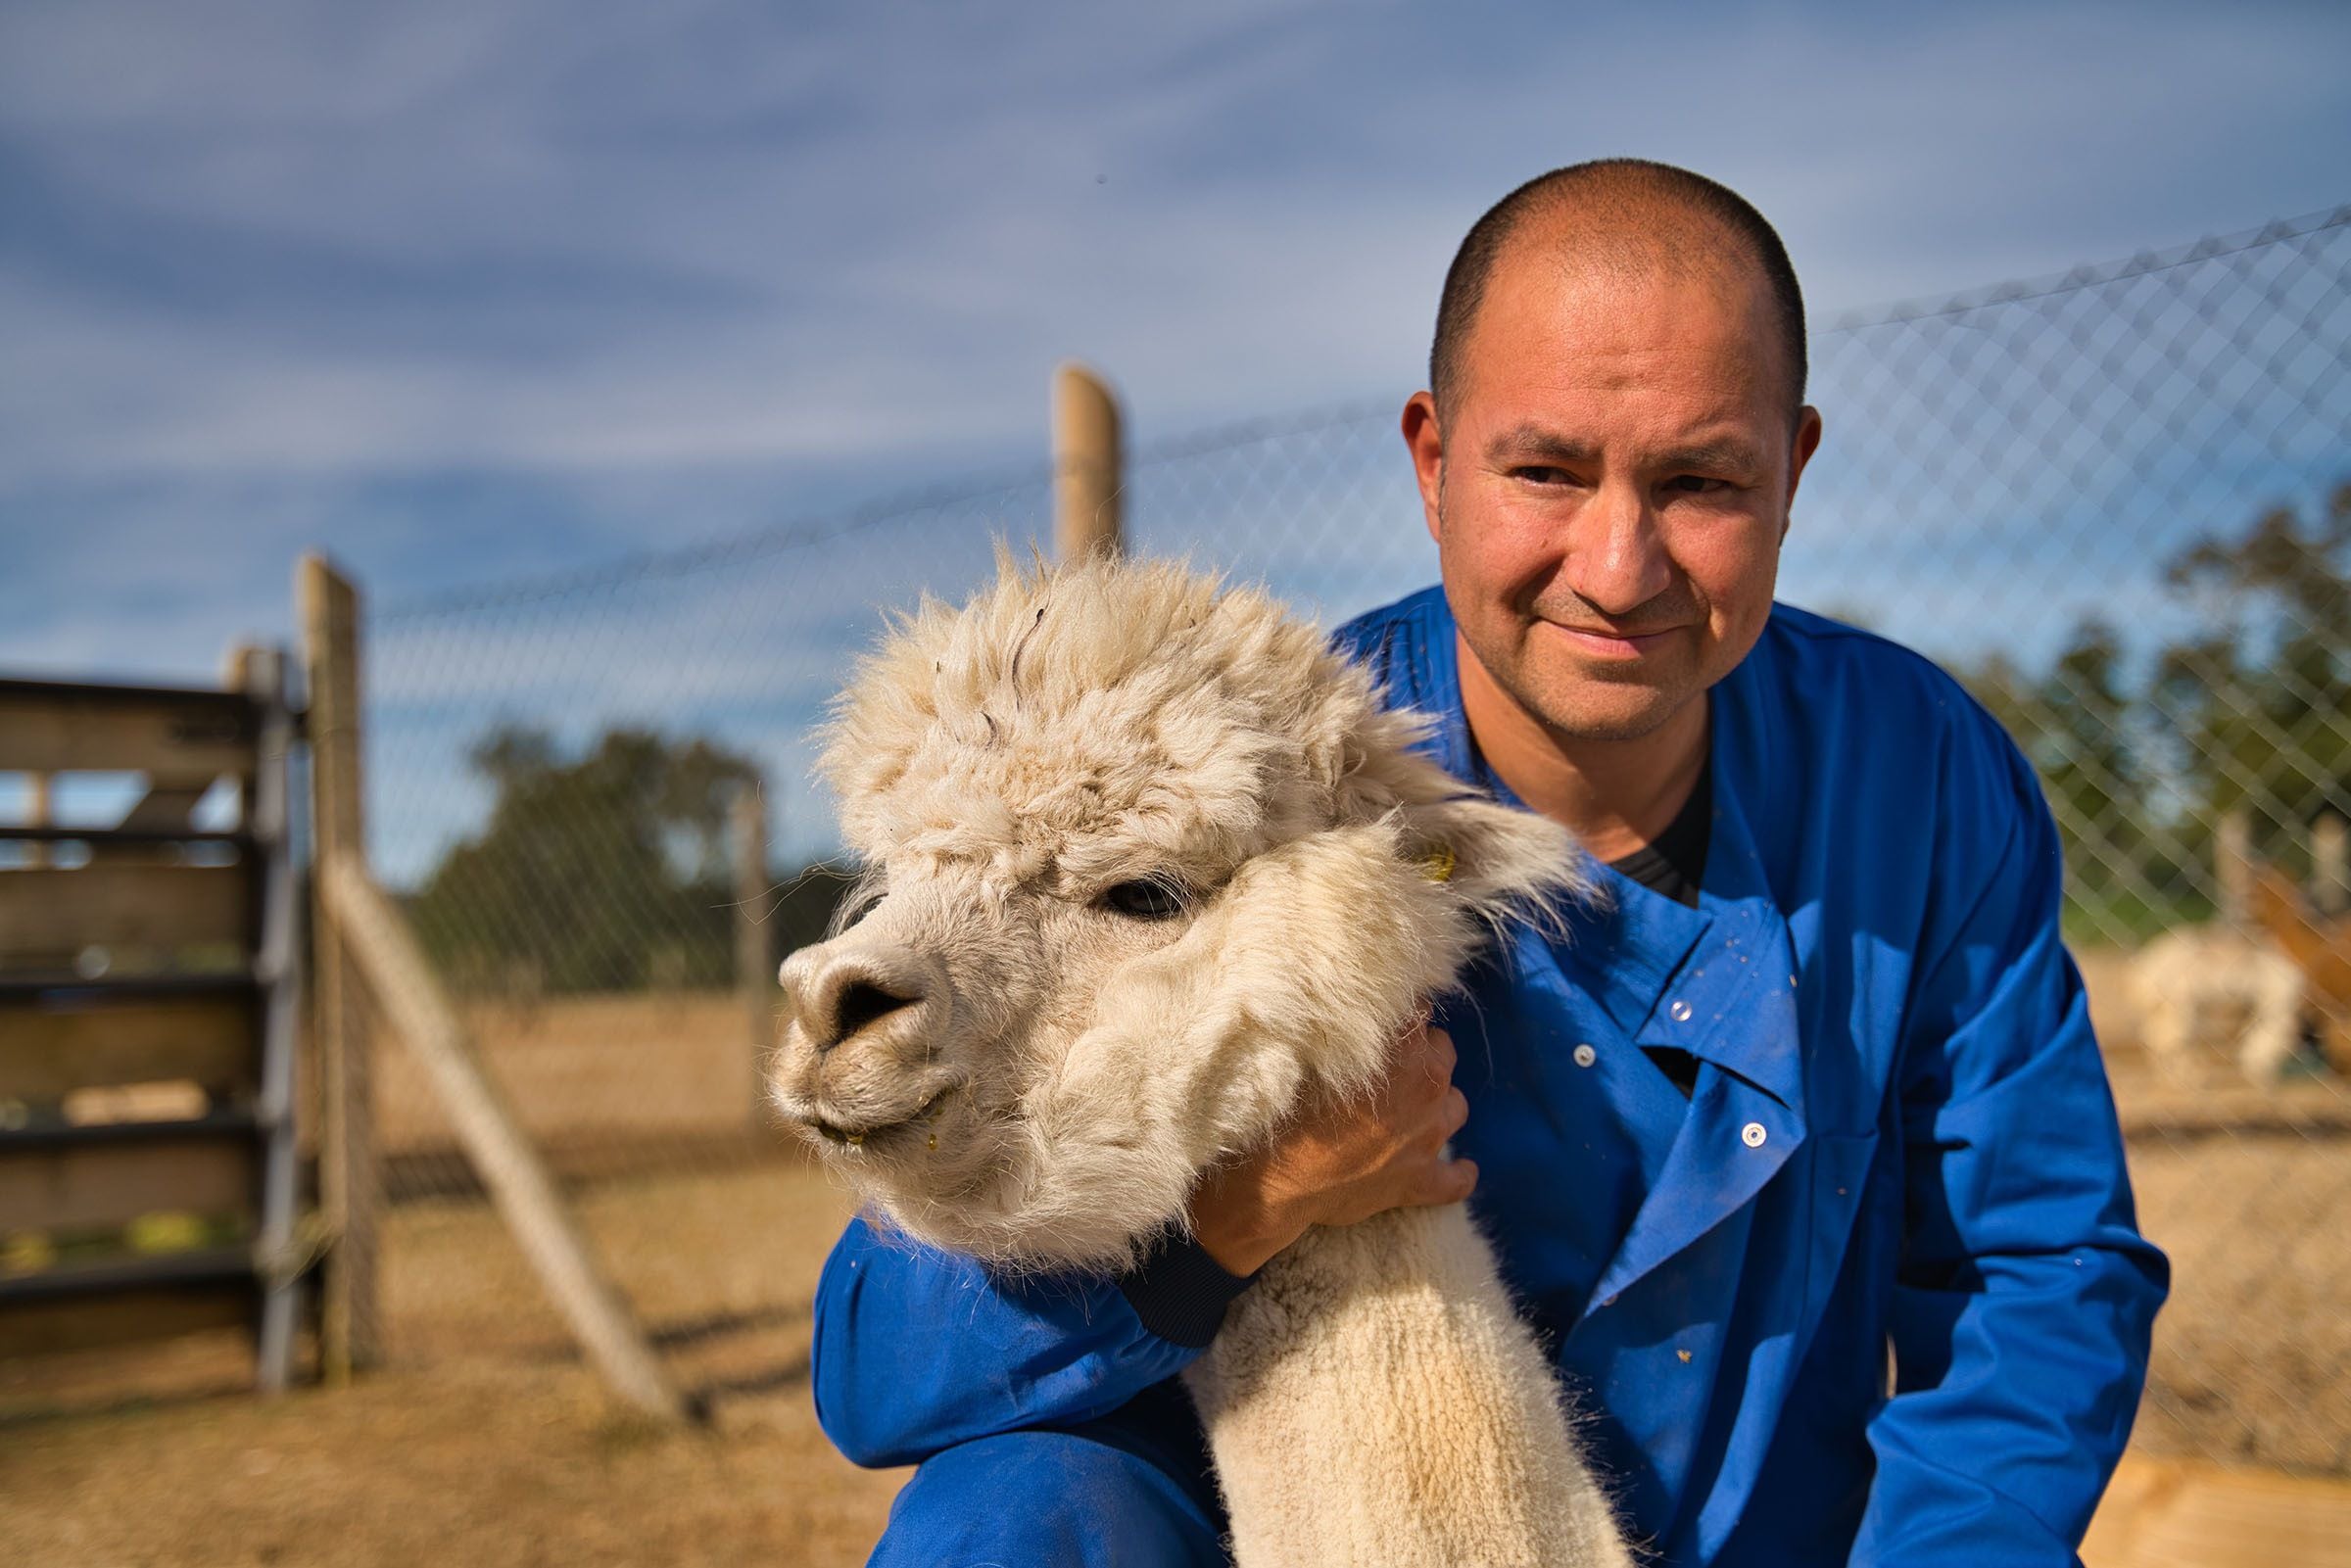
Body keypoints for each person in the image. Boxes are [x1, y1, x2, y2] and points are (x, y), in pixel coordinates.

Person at [809, 159, 2169, 1566]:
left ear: (1794, 470)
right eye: (1546, 470)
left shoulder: (1917, 779)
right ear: (1434, 459)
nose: (1620, 563)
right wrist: (1239, 1210)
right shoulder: (1245, 791)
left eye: (1701, 480)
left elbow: (2036, 1265)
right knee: (1008, 1518)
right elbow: (878, 1362)